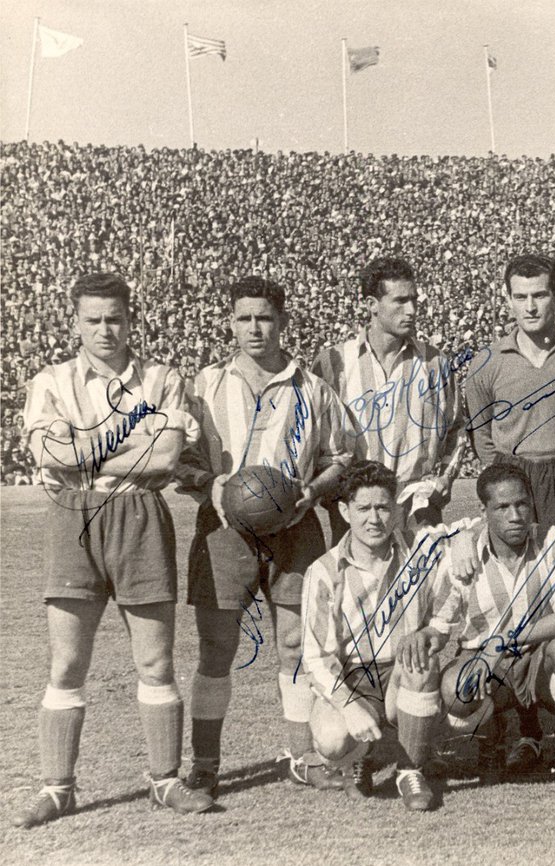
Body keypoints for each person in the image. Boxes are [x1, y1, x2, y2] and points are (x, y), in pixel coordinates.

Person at [16, 273, 213, 828]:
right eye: (93, 319)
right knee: (67, 661)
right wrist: (129, 444)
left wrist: (84, 451)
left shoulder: (161, 378)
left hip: (139, 516)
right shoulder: (50, 379)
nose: (105, 329)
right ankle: (58, 788)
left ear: (131, 319)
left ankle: (165, 781)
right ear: (76, 322)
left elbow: (164, 457)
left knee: (154, 659)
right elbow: (48, 451)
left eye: (115, 318)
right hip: (73, 518)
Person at [178, 276, 352, 798]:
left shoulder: (312, 388)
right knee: (216, 648)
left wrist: (314, 488)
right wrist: (212, 485)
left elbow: (342, 455)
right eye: (244, 318)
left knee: (297, 644)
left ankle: (302, 756)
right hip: (224, 532)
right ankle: (205, 764)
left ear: (282, 321)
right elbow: (181, 460)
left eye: (265, 318)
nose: (255, 328)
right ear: (231, 323)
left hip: (295, 528)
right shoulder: (204, 386)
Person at [462, 253, 555, 773]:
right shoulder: (486, 363)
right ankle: (521, 732)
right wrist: (508, 478)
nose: (530, 304)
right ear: (507, 299)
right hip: (514, 478)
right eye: (520, 295)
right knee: (509, 609)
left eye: (540, 294)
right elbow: (481, 438)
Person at [300, 460, 473, 811]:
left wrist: (465, 538)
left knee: (420, 659)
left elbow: (474, 529)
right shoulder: (323, 571)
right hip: (352, 676)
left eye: (383, 507)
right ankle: (359, 756)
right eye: (364, 508)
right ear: (345, 511)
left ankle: (410, 770)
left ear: (396, 507)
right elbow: (316, 658)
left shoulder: (420, 552)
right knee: (333, 740)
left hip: (400, 673)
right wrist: (348, 707)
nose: (374, 519)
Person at [431, 463, 555, 799]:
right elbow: (441, 623)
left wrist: (506, 639)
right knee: (455, 688)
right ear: (484, 511)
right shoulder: (462, 555)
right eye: (502, 507)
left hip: (539, 661)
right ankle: (491, 742)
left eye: (522, 504)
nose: (515, 515)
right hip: (487, 667)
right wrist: (427, 638)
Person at [311, 256, 466, 540]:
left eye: (414, 300)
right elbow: (318, 439)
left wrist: (445, 477)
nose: (412, 310)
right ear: (372, 305)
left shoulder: (435, 363)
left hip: (418, 509)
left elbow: (457, 429)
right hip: (356, 509)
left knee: (422, 585)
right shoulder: (332, 364)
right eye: (400, 301)